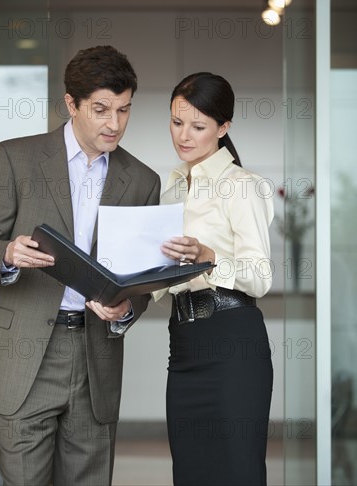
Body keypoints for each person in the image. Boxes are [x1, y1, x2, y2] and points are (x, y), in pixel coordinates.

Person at [0, 45, 161, 486]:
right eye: (100, 109)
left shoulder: (143, 180)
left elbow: (144, 282)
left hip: (96, 359)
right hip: (24, 357)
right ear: (71, 104)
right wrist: (6, 253)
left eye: (124, 110)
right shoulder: (14, 158)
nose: (114, 123)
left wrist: (127, 309)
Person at [156, 72, 274, 486]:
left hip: (233, 345)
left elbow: (260, 278)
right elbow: (163, 274)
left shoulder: (243, 187)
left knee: (236, 473)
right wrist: (119, 293)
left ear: (223, 128)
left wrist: (210, 259)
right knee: (190, 472)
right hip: (184, 345)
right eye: (176, 122)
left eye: (199, 126)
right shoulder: (171, 188)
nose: (183, 135)